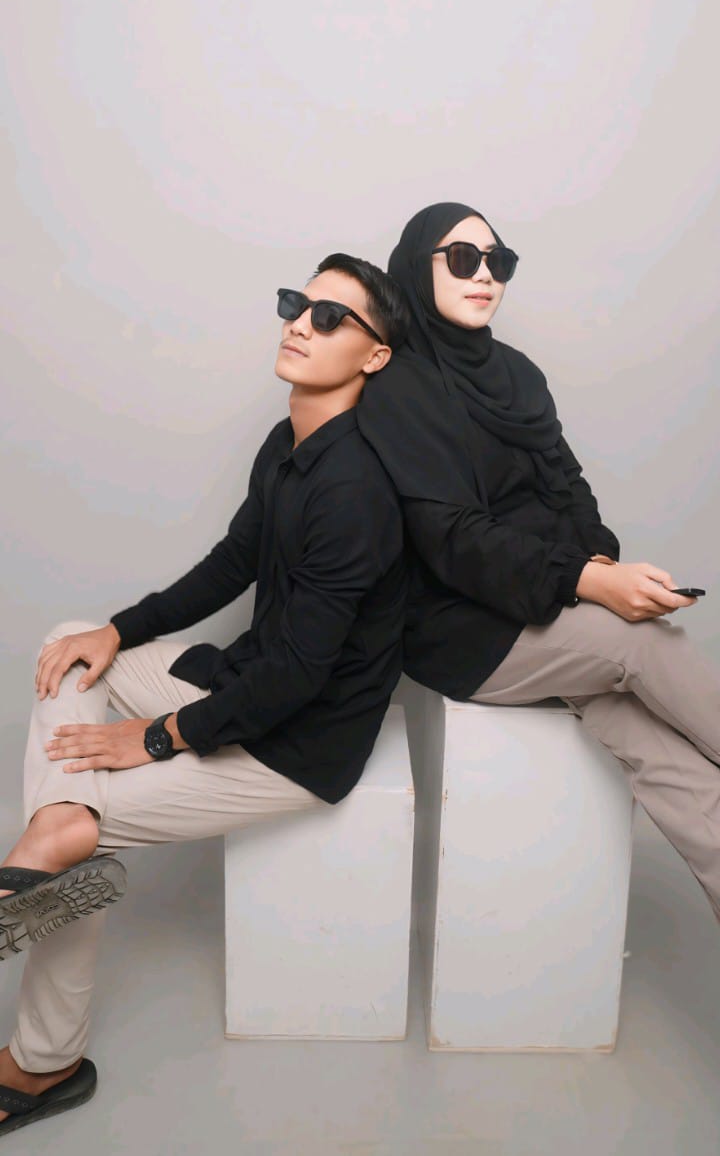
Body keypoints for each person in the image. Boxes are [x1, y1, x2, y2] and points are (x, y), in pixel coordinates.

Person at [0, 253, 409, 1137]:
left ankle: (43, 1061)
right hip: (243, 677)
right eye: (297, 303)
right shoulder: (288, 441)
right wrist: (118, 628)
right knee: (71, 649)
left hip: (293, 742)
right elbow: (233, 562)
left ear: (375, 356)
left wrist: (154, 737)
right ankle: (60, 821)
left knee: (83, 818)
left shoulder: (357, 490)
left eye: (330, 317)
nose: (299, 323)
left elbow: (300, 679)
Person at [358, 202, 720, 926]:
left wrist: (596, 562)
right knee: (643, 645)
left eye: (499, 261)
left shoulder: (517, 375)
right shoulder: (396, 386)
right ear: (415, 269)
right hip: (460, 626)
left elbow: (567, 485)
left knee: (662, 755)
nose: (485, 275)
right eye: (464, 259)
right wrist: (590, 585)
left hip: (547, 594)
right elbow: (450, 538)